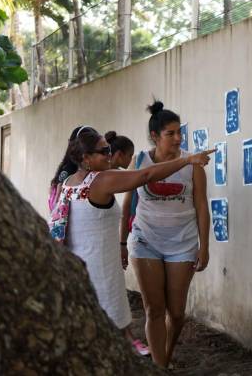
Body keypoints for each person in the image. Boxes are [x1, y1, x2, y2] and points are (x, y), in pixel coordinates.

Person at [49, 125, 214, 359]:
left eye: (109, 149)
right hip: (102, 280)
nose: (110, 155)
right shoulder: (100, 180)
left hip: (77, 277)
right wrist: (187, 161)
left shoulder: (68, 185)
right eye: (104, 151)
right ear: (85, 158)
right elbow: (145, 176)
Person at [122, 101, 210, 368]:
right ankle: (159, 366)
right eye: (170, 133)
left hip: (182, 244)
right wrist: (121, 242)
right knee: (154, 310)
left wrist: (204, 246)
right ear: (154, 136)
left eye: (179, 132)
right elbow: (127, 204)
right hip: (145, 240)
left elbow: (201, 206)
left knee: (178, 312)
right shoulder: (139, 161)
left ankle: (166, 353)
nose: (177, 138)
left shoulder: (192, 165)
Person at [103, 130, 149, 356]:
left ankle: (127, 336)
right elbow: (140, 180)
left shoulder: (108, 174)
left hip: (108, 242)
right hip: (100, 245)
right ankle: (127, 337)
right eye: (128, 157)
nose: (129, 163)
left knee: (114, 291)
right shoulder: (104, 176)